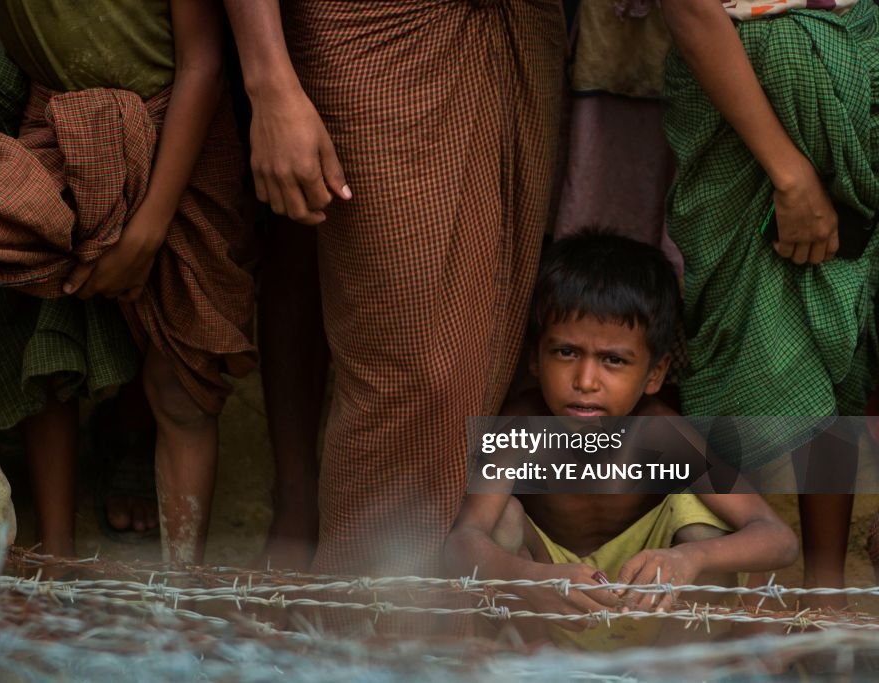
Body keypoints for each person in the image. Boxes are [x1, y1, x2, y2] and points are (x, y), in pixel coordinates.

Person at [0, 0, 255, 569]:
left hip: (180, 133)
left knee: (182, 389)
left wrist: (146, 231)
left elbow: (202, 64)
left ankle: (178, 611)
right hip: (60, 128)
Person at [224, 0, 567, 590]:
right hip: (380, 31)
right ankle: (363, 633)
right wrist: (270, 81)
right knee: (411, 371)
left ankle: (436, 633)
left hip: (519, 28)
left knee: (488, 353)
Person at [444, 234, 799, 649]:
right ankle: (539, 669)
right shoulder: (523, 430)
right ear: (534, 358)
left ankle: (675, 675)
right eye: (565, 352)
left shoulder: (661, 435)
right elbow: (461, 543)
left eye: (613, 360)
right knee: (502, 516)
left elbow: (778, 538)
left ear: (655, 373)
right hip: (545, 611)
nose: (585, 381)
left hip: (656, 614)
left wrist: (689, 559)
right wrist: (535, 579)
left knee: (698, 515)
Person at [660, 0, 879, 597]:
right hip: (734, 111)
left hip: (859, 83)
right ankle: (740, 591)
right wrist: (790, 174)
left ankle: (826, 594)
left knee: (841, 350)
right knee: (744, 350)